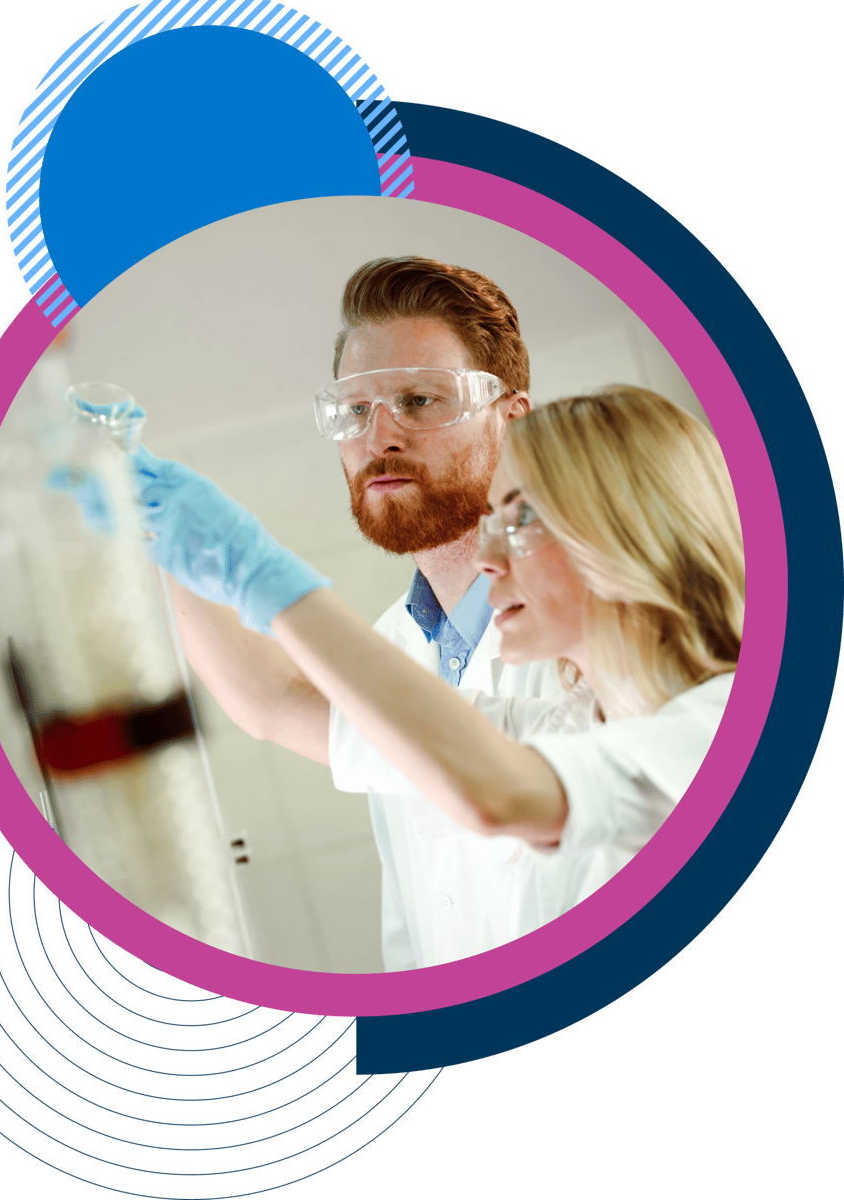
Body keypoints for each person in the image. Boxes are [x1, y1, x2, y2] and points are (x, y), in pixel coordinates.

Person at [125, 383, 742, 969]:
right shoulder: (572, 723)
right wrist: (154, 536)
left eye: (522, 519)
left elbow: (498, 795)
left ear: (629, 530)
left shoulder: (726, 728)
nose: (487, 559)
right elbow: (280, 701)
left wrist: (261, 575)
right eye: (493, 521)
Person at [160, 257, 564, 969]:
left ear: (513, 419)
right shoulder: (392, 645)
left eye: (419, 399)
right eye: (354, 411)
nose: (379, 437)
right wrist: (163, 538)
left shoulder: (593, 620)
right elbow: (273, 701)